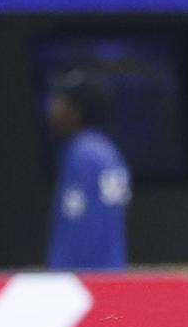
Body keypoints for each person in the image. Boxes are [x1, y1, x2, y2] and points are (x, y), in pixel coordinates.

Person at [44, 72, 132, 270]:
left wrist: (57, 279)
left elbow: (77, 228)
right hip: (110, 272)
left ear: (75, 111)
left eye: (59, 102)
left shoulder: (82, 154)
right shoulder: (109, 152)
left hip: (83, 277)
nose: (51, 109)